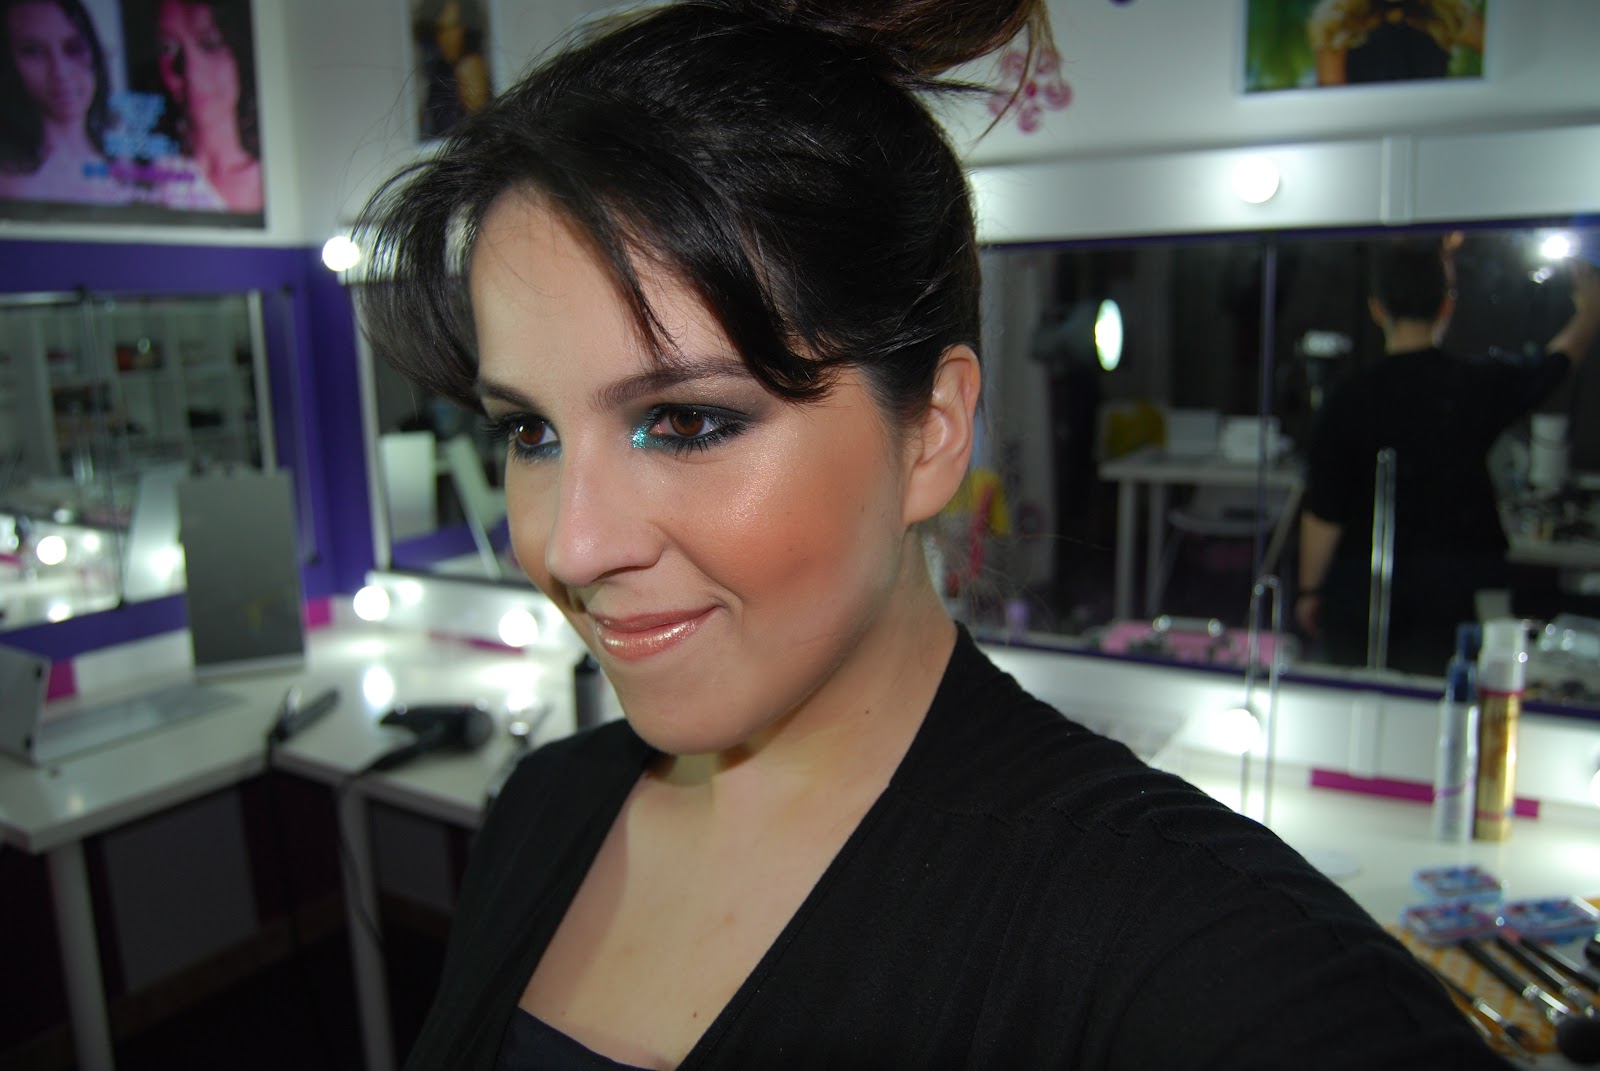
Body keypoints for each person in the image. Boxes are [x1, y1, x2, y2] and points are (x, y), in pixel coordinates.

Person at [357, 3, 1517, 1067]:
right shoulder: (540, 810)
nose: (570, 548)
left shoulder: (1215, 968)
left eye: (686, 421)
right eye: (529, 432)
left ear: (932, 433)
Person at [1297, 238, 1600, 674]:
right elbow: (1552, 367)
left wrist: (1309, 590)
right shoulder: (1474, 386)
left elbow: (1324, 510)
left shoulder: (1349, 400)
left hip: (1366, 588)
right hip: (1453, 590)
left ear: (1377, 309)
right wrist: (1589, 313)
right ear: (1447, 305)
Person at [0, 0, 132, 205]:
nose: (60, 72)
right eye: (34, 51)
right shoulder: (14, 182)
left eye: (74, 48)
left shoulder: (128, 167)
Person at [149, 0, 261, 212]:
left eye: (211, 43)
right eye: (167, 48)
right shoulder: (152, 179)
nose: (191, 72)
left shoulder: (277, 175)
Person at [1308, 0, 1485, 86]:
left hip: (1430, 132)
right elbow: (1333, 105)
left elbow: (1499, 49)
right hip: (1366, 134)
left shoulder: (1444, 10)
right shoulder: (1338, 20)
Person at [413, 0, 490, 140]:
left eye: (454, 27)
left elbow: (483, 125)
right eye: (440, 29)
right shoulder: (437, 73)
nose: (447, 37)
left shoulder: (473, 66)